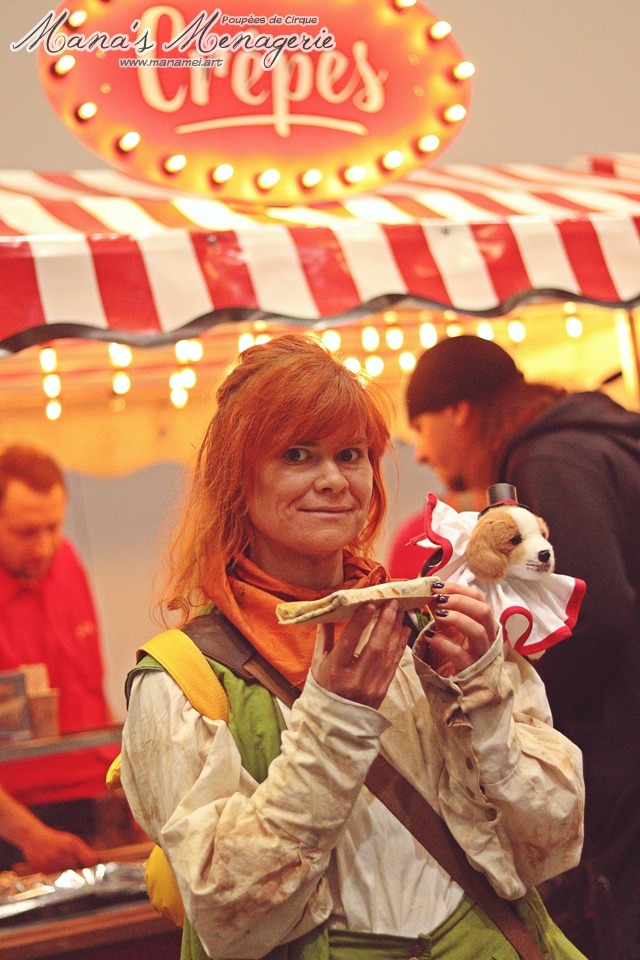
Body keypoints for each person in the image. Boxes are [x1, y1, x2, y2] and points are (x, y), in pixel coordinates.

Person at [121, 334, 585, 960]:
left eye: (350, 454)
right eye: (296, 455)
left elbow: (552, 842)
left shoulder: (429, 620)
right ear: (238, 477)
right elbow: (228, 916)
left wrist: (484, 697)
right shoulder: (181, 679)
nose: (333, 480)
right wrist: (335, 721)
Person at [405, 334, 640, 960]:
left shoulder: (549, 463)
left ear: (459, 409)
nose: (423, 449)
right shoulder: (602, 443)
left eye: (421, 426)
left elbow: (596, 611)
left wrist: (504, 678)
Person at [0, 444, 125, 873]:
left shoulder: (66, 562)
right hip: (15, 819)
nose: (44, 545)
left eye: (53, 527)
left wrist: (127, 783)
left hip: (92, 799)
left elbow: (88, 687)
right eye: (26, 532)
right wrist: (29, 835)